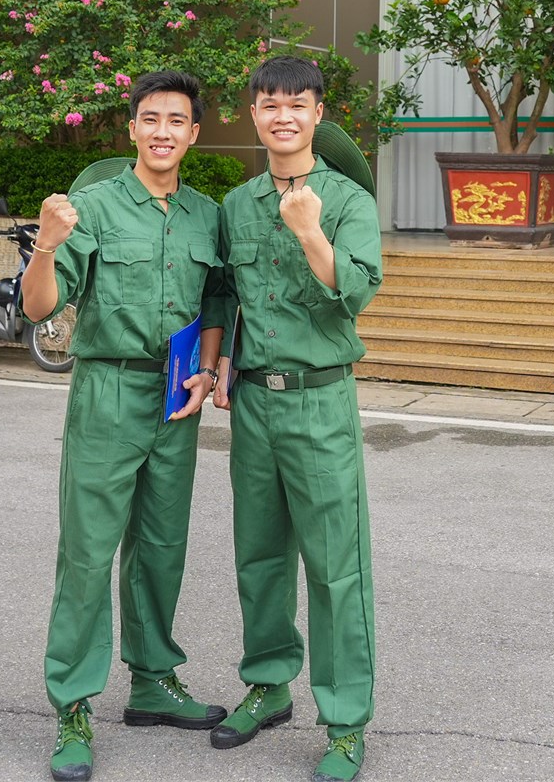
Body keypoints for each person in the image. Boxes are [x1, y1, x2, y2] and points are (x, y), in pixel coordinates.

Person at [21, 71, 230, 782]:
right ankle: (73, 704)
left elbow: (216, 300)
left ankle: (152, 680)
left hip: (176, 396)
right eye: (151, 118)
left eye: (176, 120)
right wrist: (45, 246)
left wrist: (208, 369)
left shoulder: (206, 215)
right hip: (108, 389)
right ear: (133, 127)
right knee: (87, 551)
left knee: (161, 546)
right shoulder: (94, 207)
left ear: (193, 133)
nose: (163, 131)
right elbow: (38, 307)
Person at [212, 56, 383, 782]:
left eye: (296, 104)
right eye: (269, 104)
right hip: (254, 400)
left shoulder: (347, 200)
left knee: (336, 566)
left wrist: (312, 231)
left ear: (318, 113)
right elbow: (224, 292)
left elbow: (357, 293)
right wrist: (220, 363)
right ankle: (268, 683)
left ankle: (345, 722)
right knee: (259, 555)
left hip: (320, 399)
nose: (282, 116)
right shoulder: (237, 203)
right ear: (254, 114)